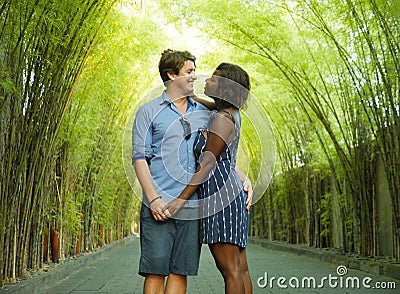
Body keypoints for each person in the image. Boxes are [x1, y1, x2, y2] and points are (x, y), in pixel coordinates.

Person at [163, 63, 253, 294]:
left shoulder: (222, 119)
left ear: (226, 88)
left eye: (214, 79)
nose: (207, 81)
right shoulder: (231, 113)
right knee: (239, 268)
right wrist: (191, 95)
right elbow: (213, 105)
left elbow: (206, 165)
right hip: (232, 194)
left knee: (230, 270)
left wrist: (181, 199)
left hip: (220, 197)